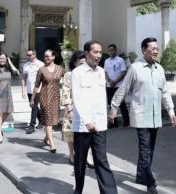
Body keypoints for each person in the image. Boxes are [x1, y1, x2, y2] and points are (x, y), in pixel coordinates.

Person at [109, 37, 176, 194]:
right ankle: (150, 183)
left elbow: (165, 92)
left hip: (155, 117)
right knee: (145, 150)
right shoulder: (135, 68)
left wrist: (171, 110)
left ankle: (141, 175)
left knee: (149, 150)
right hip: (141, 116)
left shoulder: (159, 69)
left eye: (157, 48)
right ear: (143, 50)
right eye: (152, 48)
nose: (155, 51)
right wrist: (113, 110)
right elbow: (123, 89)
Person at [71, 40, 117, 194]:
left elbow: (101, 98)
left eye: (100, 52)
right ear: (86, 54)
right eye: (95, 52)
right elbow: (77, 98)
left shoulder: (101, 72)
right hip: (83, 126)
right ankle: (78, 190)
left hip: (100, 125)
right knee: (80, 161)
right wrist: (87, 121)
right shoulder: (77, 73)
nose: (98, 55)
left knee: (102, 161)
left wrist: (109, 113)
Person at [61, 51, 94, 168]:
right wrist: (69, 109)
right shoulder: (69, 75)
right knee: (70, 132)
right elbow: (65, 92)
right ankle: (71, 155)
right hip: (73, 107)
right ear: (74, 63)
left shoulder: (90, 74)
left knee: (88, 131)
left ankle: (88, 156)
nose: (82, 65)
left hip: (87, 107)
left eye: (84, 63)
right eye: (80, 63)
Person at [30, 49, 65, 153]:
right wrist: (32, 98)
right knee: (48, 119)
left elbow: (67, 80)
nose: (46, 58)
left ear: (53, 57)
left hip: (56, 97)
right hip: (45, 97)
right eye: (45, 56)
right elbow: (36, 85)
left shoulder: (60, 69)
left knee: (53, 120)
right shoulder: (41, 70)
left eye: (48, 56)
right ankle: (52, 144)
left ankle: (46, 138)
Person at [0, 51, 19, 143]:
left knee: (7, 112)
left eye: (4, 58)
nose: (2, 60)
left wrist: (10, 63)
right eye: (0, 58)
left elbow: (17, 73)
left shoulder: (9, 68)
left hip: (8, 94)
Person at [104, 44, 129, 127]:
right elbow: (105, 72)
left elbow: (123, 72)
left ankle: (126, 122)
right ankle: (114, 123)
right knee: (111, 104)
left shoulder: (120, 60)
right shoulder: (106, 61)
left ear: (116, 50)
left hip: (118, 85)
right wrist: (109, 80)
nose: (111, 52)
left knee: (121, 104)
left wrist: (115, 81)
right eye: (109, 50)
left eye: (112, 50)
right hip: (109, 86)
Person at [22, 49, 44, 134]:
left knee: (34, 106)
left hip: (38, 89)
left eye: (30, 55)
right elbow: (24, 78)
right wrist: (23, 90)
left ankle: (32, 126)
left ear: (34, 55)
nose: (28, 56)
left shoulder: (40, 64)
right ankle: (41, 120)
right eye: (27, 55)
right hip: (29, 89)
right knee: (33, 106)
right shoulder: (26, 65)